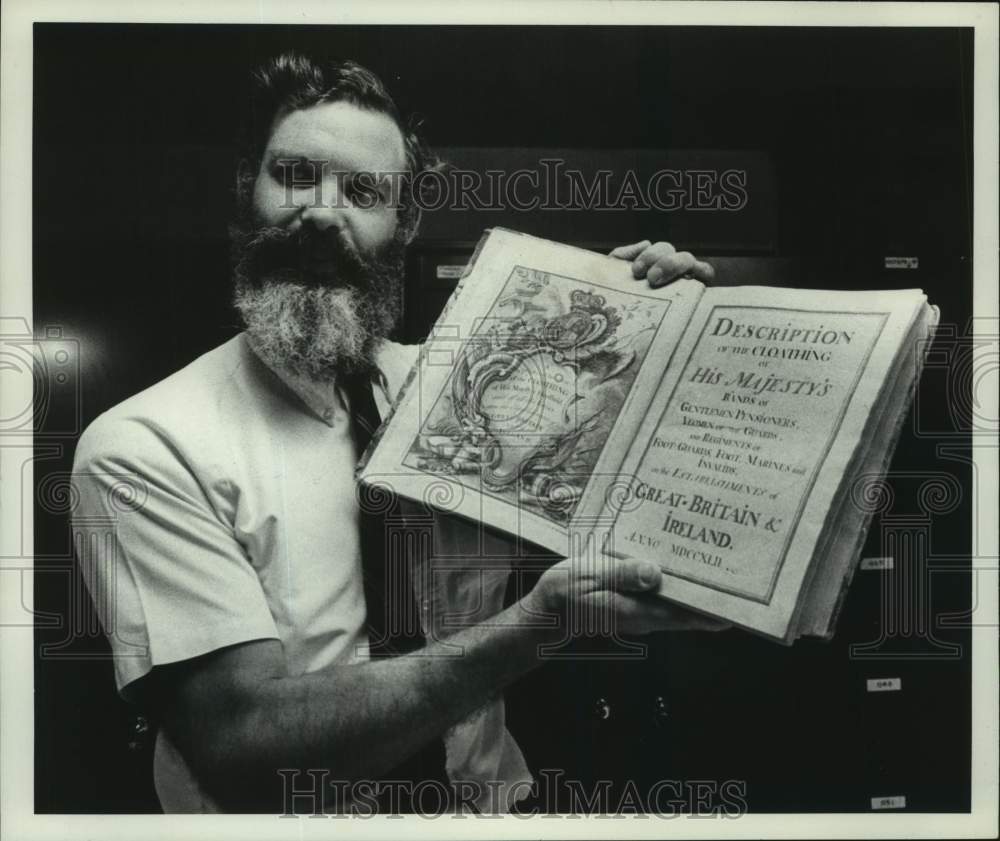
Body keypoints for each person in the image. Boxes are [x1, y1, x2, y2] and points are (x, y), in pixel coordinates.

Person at [70, 52, 722, 815]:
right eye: (294, 174)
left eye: (363, 190)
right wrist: (533, 627)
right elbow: (244, 746)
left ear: (404, 224)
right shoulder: (145, 445)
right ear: (247, 189)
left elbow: (663, 525)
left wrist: (664, 332)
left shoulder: (458, 388)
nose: (321, 211)